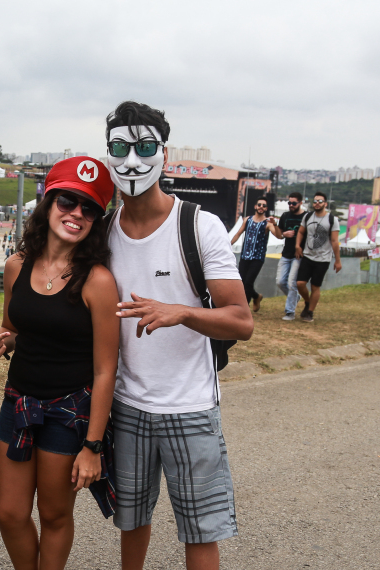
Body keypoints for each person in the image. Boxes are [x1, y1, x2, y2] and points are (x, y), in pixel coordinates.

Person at [103, 101, 254, 570]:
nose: (132, 160)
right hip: (127, 405)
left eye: (145, 147)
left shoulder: (199, 226)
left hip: (189, 406)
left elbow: (240, 321)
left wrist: (181, 313)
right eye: (120, 148)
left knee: (200, 530)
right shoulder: (103, 231)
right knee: (131, 522)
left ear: (163, 154)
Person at [0, 156, 119, 570]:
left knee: (55, 515)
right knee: (8, 511)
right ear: (48, 201)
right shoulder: (16, 265)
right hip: (19, 404)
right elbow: (13, 332)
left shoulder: (97, 281)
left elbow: (105, 369)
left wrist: (92, 447)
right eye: (68, 201)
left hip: (68, 412)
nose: (76, 213)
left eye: (89, 207)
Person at [295, 191, 341, 323]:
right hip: (308, 256)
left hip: (323, 259)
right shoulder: (308, 217)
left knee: (315, 286)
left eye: (320, 201)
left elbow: (334, 241)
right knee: (300, 283)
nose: (317, 203)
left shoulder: (332, 220)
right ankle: (308, 301)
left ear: (325, 204)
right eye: (315, 201)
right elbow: (301, 232)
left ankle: (309, 312)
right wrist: (298, 246)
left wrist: (337, 261)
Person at [229, 196, 276, 312]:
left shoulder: (267, 223)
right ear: (255, 206)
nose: (261, 207)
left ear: (266, 208)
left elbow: (278, 235)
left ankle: (244, 307)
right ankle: (256, 296)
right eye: (259, 205)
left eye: (264, 205)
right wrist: (228, 244)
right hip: (245, 256)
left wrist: (276, 225)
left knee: (248, 282)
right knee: (241, 282)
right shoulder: (248, 220)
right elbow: (238, 233)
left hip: (257, 258)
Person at [270, 192, 306, 320]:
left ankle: (290, 311)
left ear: (300, 203)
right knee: (280, 281)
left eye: (294, 203)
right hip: (286, 253)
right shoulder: (285, 216)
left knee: (292, 283)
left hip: (299, 255)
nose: (291, 205)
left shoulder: (306, 217)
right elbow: (279, 235)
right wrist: (278, 227)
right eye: (289, 203)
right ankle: (295, 297)